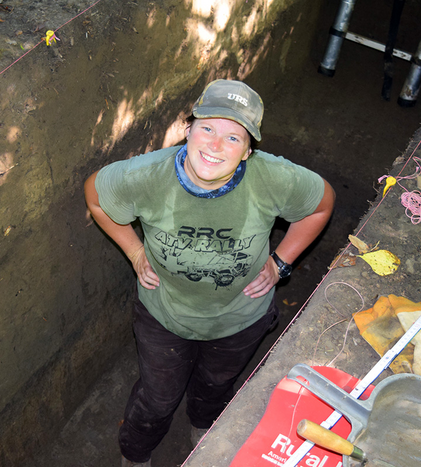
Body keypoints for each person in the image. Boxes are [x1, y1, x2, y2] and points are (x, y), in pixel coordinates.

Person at [84, 79, 335, 467]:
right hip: (164, 315)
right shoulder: (148, 176)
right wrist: (134, 251)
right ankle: (135, 455)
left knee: (217, 385)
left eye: (233, 138)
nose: (215, 146)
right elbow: (96, 195)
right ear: (188, 129)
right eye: (207, 128)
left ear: (249, 150)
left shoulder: (272, 178)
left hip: (240, 318)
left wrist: (281, 261)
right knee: (157, 397)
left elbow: (321, 203)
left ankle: (206, 425)